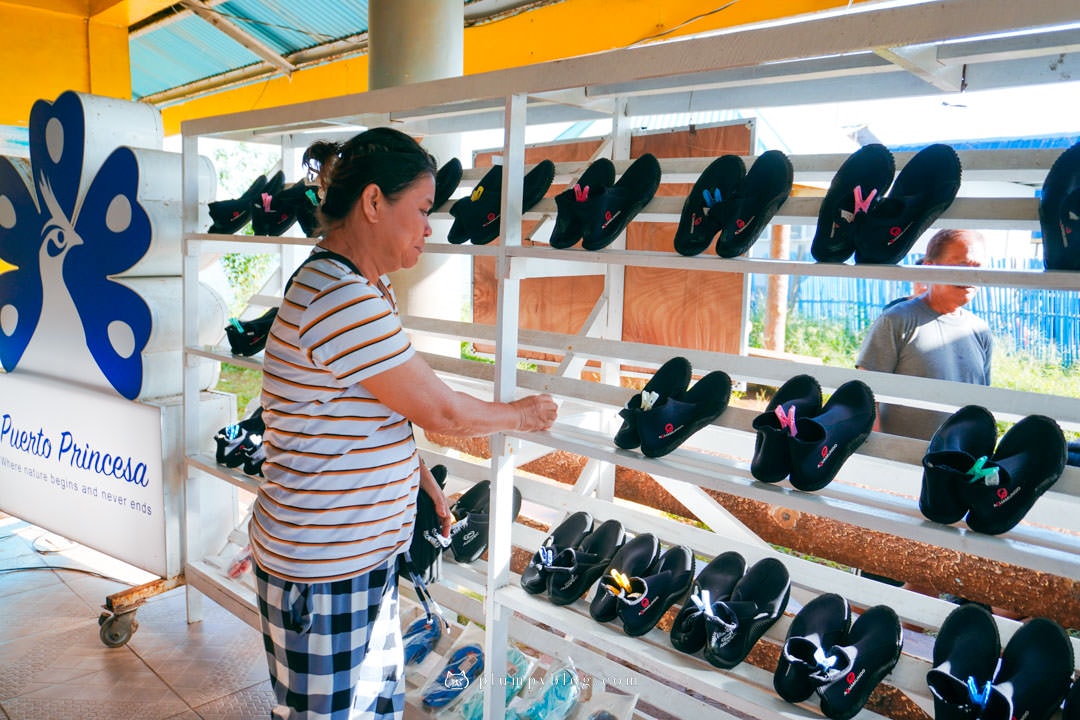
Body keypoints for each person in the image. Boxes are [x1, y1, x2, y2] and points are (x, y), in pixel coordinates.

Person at [248, 127, 558, 720]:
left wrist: (417, 475)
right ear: (371, 204)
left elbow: (369, 406)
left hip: (351, 560)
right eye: (420, 209)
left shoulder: (358, 286)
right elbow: (439, 410)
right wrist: (521, 415)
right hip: (325, 567)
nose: (428, 227)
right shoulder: (338, 298)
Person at [856, 228, 991, 439]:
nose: (971, 276)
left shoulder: (980, 330)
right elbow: (865, 395)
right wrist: (879, 451)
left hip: (956, 465)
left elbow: (982, 403)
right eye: (962, 266)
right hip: (900, 460)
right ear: (929, 268)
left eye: (978, 268)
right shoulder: (897, 320)